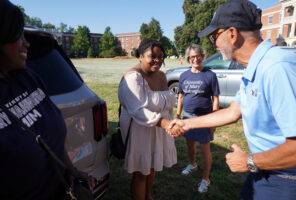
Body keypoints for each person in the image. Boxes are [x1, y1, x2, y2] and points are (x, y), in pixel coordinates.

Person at [169, 0, 296, 199]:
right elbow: (233, 111)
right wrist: (186, 123)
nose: (213, 44)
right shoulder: (255, 68)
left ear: (232, 34)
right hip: (265, 171)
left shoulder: (277, 68)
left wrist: (250, 161)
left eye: (214, 36)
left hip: (286, 181)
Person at [0, 1, 95, 199]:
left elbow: (51, 137)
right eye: (18, 36)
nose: (26, 43)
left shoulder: (27, 78)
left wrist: (69, 169)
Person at [118, 38, 179, 200]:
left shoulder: (161, 75)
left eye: (161, 56)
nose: (158, 60)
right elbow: (139, 111)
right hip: (139, 129)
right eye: (152, 56)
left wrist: (166, 117)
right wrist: (166, 123)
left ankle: (148, 196)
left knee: (151, 166)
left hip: (158, 128)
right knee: (141, 171)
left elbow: (167, 101)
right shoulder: (133, 77)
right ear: (140, 56)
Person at [176, 44, 219, 193]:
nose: (196, 59)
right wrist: (177, 115)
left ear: (202, 56)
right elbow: (181, 96)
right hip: (187, 117)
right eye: (192, 57)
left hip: (205, 118)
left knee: (205, 149)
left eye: (198, 55)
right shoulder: (184, 76)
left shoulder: (210, 75)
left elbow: (215, 98)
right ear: (188, 59)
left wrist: (214, 120)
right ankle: (193, 164)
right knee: (189, 144)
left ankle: (205, 179)